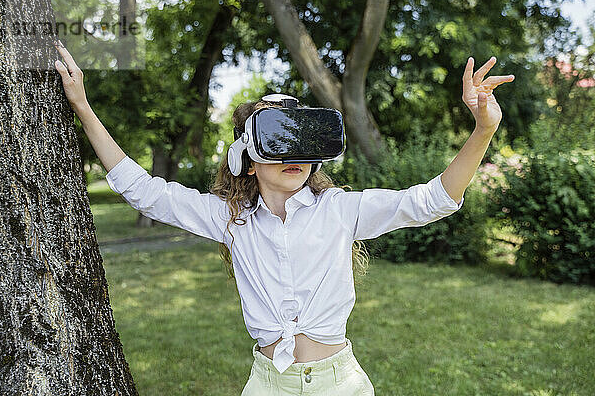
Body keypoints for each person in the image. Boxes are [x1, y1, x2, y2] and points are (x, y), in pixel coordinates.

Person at [54, 39, 514, 395]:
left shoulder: (340, 211)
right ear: (247, 160)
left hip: (340, 385)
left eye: (302, 143)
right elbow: (145, 192)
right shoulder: (229, 219)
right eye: (277, 141)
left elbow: (432, 200)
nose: (293, 155)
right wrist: (81, 105)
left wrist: (483, 129)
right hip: (268, 384)